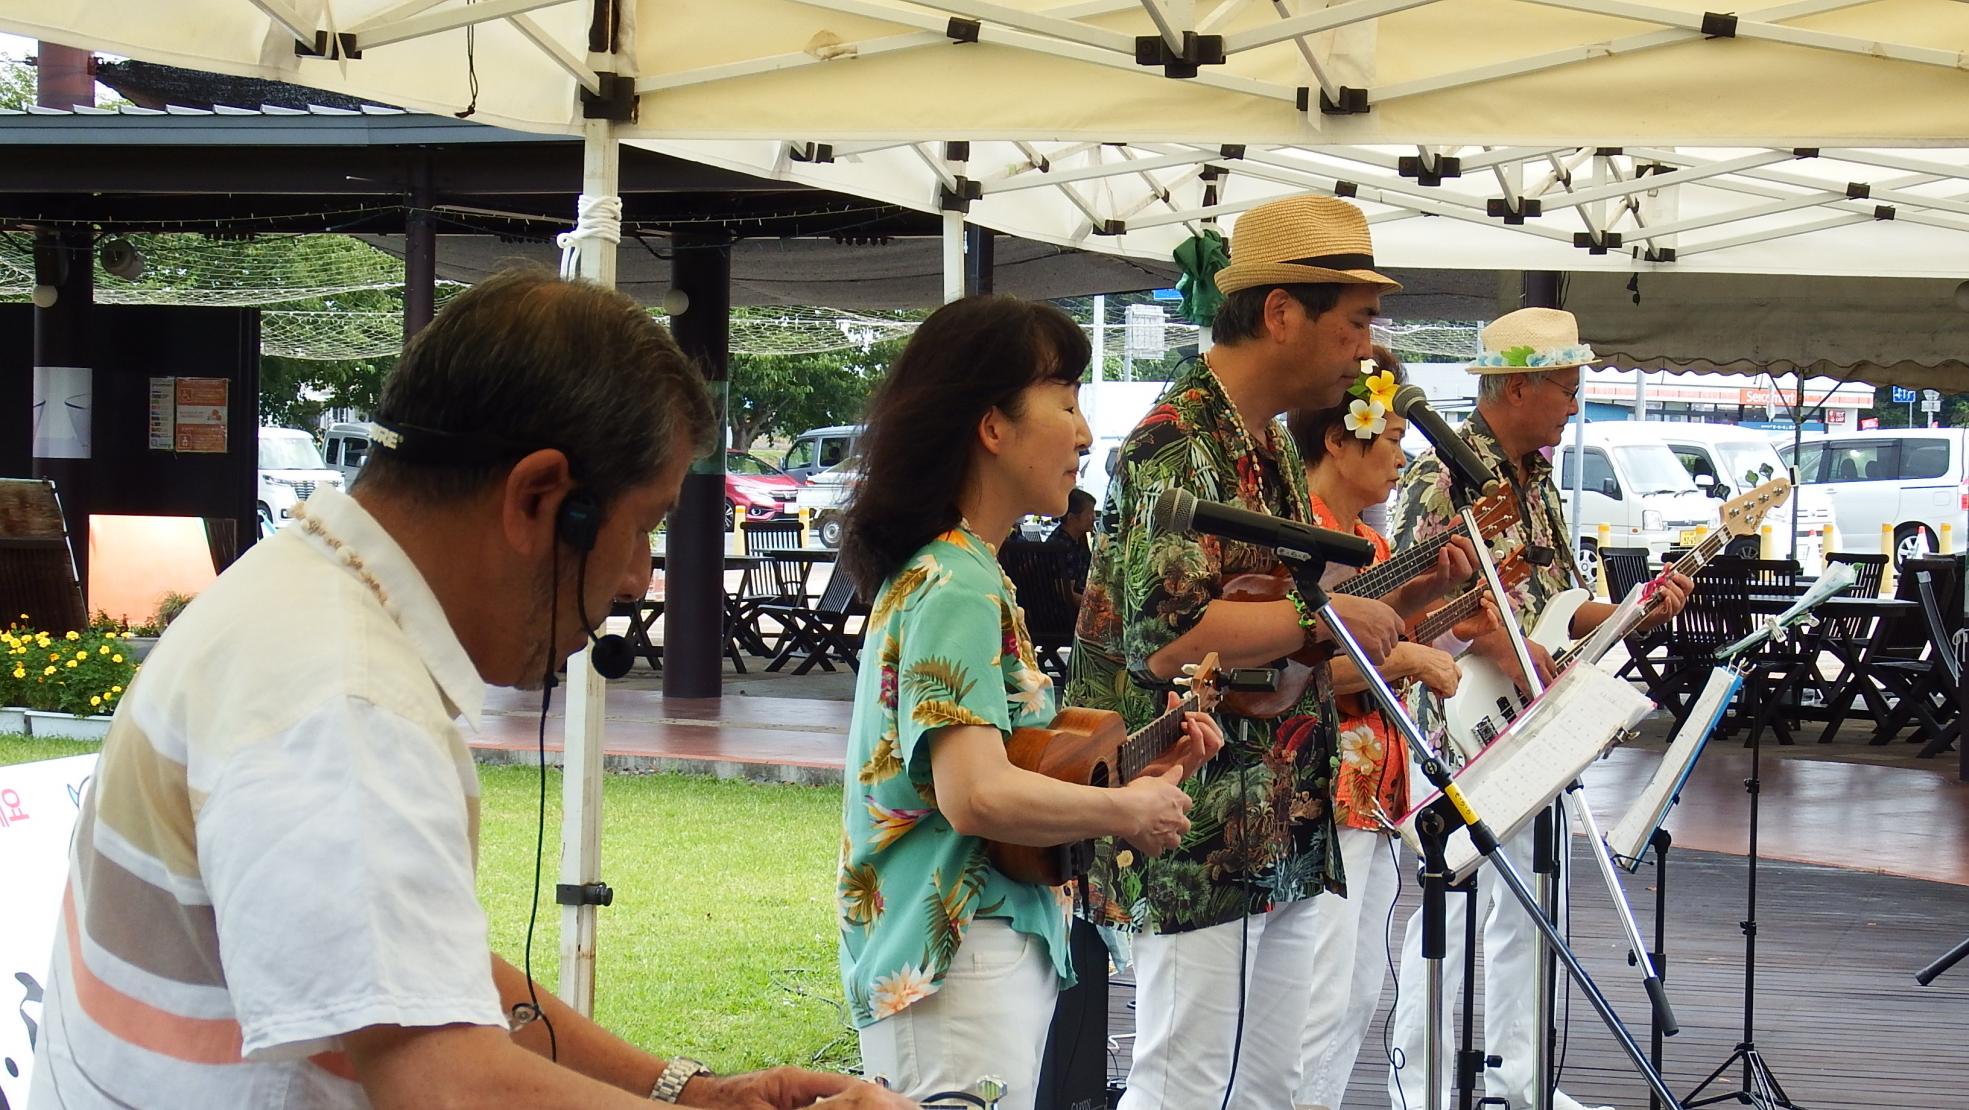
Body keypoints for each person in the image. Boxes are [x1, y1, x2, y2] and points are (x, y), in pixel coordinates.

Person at [31, 268, 912, 1110]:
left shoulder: (304, 601)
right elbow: (447, 1085)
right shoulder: (344, 702)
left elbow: (415, 978)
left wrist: (688, 1089)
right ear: (538, 498)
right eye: (641, 525)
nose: (637, 578)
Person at [1066, 195, 1471, 1110]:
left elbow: (1287, 612)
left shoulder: (1266, 447)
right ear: (1282, 311)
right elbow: (1171, 639)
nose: (1366, 350)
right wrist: (1327, 618)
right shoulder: (1176, 442)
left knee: (1272, 1087)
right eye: (1356, 321)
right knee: (1184, 1081)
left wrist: (1394, 601)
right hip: (1197, 814)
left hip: (1280, 807)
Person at [834, 295, 1224, 1110]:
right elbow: (974, 795)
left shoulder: (965, 571)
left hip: (977, 947)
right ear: (992, 426)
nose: (1084, 434)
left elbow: (1013, 767)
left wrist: (1151, 770)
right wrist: (1125, 812)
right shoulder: (956, 583)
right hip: (956, 958)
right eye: (1068, 401)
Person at [1386, 307, 1692, 1110]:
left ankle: (1519, 1081)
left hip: (1529, 709)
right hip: (1460, 715)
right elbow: (1433, 602)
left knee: (1529, 906)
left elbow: (1553, 602)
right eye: (1564, 387)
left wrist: (1637, 609)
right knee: (1447, 912)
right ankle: (1419, 1085)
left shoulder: (1531, 476)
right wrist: (1515, 654)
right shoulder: (1440, 475)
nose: (1572, 404)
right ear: (1513, 385)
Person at [1285, 352, 1491, 1110]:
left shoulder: (1362, 544)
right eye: (1392, 437)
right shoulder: (1299, 532)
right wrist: (1406, 653)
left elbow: (1377, 636)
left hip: (1370, 794)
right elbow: (1293, 672)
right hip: (1321, 790)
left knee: (1352, 994)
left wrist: (1432, 585)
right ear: (1339, 440)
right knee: (1316, 995)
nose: (1402, 457)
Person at [1044, 488, 1097, 605]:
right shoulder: (1062, 546)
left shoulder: (1078, 539)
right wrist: (1094, 607)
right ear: (1071, 518)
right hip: (1062, 612)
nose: (1094, 517)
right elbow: (1067, 594)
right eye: (1089, 513)